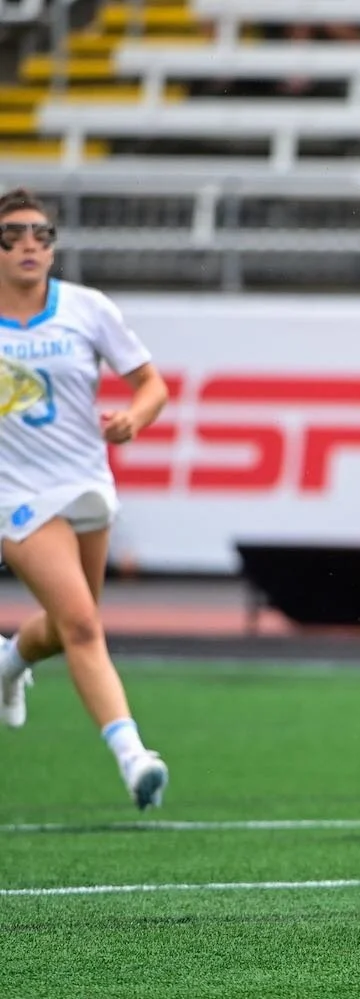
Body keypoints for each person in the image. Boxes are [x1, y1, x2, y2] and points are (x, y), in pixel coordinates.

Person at [0, 188, 172, 809]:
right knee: (81, 623)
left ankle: (8, 665)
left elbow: (151, 385)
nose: (28, 245)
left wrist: (134, 419)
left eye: (41, 235)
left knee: (68, 622)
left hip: (86, 485)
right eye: (12, 235)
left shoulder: (86, 308)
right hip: (16, 494)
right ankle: (134, 757)